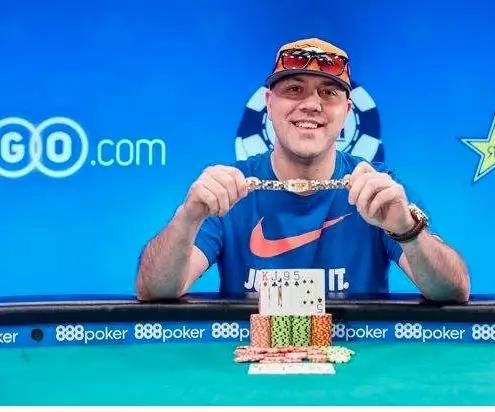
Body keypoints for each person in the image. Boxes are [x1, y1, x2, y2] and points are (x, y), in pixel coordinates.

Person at [136, 38, 470, 302]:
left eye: (328, 93)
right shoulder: (229, 189)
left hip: (357, 364)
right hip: (250, 364)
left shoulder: (378, 188)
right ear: (269, 104)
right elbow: (155, 290)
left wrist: (406, 230)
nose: (311, 104)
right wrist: (188, 218)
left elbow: (453, 291)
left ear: (347, 112)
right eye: (294, 89)